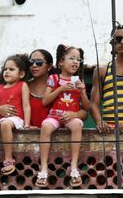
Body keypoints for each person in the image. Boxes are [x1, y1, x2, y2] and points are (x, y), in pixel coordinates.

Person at [37, 45, 91, 187]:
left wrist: (83, 92)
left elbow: (86, 108)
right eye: (71, 58)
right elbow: (45, 100)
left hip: (71, 117)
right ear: (61, 62)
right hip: (54, 116)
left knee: (78, 124)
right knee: (45, 126)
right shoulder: (53, 78)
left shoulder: (79, 81)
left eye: (78, 59)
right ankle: (43, 168)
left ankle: (73, 167)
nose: (75, 62)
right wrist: (60, 89)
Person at [91, 25, 123, 134]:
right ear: (112, 43)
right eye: (118, 39)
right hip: (108, 130)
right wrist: (99, 121)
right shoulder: (101, 70)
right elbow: (94, 104)